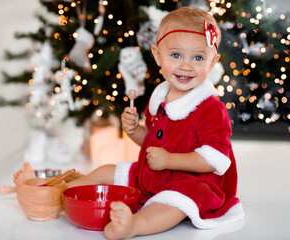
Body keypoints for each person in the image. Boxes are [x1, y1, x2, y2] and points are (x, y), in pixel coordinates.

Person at [14, 6, 244, 240]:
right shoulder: (160, 98)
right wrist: (135, 131)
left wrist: (169, 160)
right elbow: (152, 143)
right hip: (152, 176)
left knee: (173, 204)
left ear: (212, 62)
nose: (186, 65)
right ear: (157, 56)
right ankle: (58, 194)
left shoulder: (210, 108)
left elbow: (216, 160)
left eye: (198, 57)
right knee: (105, 171)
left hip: (192, 183)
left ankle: (134, 225)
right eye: (176, 55)